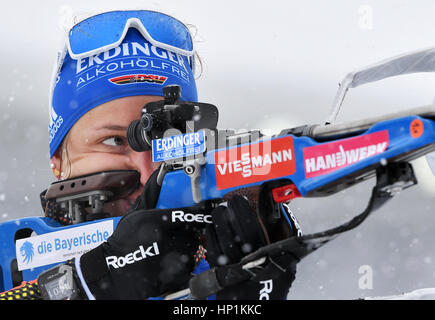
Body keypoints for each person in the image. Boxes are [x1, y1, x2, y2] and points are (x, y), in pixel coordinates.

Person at [0, 9, 301, 300]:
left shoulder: (221, 265)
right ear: (59, 160)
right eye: (115, 140)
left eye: (170, 140)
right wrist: (90, 284)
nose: (148, 172)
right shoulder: (13, 273)